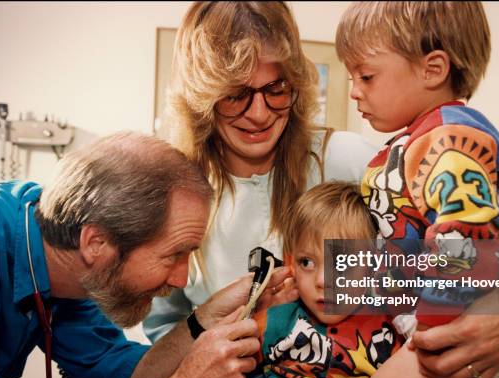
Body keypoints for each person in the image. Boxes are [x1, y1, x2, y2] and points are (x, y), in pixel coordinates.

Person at [0, 131, 296, 378]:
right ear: (96, 242)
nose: (181, 280)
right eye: (173, 255)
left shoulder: (72, 263)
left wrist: (204, 320)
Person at [335, 1, 499, 378]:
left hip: (447, 330)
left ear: (433, 69)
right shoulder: (417, 138)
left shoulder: (448, 138)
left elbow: (466, 231)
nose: (354, 90)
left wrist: (435, 326)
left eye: (366, 76)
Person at [144, 1, 378, 341]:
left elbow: (461, 252)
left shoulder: (348, 160)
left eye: (276, 89)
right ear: (202, 98)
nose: (259, 114)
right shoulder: (173, 198)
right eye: (236, 96)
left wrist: (483, 314)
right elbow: (164, 329)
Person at [244, 181, 474, 378]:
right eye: (307, 262)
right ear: (290, 263)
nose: (322, 280)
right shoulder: (275, 321)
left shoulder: (393, 330)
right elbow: (229, 372)